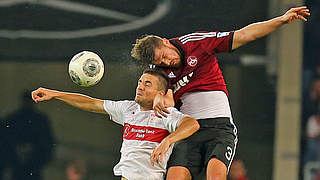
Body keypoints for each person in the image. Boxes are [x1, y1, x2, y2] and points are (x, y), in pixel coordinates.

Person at [130, 6, 310, 180]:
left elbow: (245, 34)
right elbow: (159, 97)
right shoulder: (157, 70)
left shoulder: (197, 42)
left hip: (219, 128)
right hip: (187, 131)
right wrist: (157, 98)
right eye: (160, 62)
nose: (167, 62)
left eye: (164, 55)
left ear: (165, 41)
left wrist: (281, 20)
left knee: (215, 177)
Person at [31, 69, 200, 180]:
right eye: (140, 82)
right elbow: (91, 103)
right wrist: (54, 94)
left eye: (147, 84)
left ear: (160, 94)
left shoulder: (165, 114)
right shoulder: (128, 109)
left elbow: (192, 124)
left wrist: (167, 141)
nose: (140, 87)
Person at [3, 90, 55, 180]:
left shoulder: (39, 121)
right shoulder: (13, 119)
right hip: (19, 165)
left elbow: (47, 143)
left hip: (32, 166)